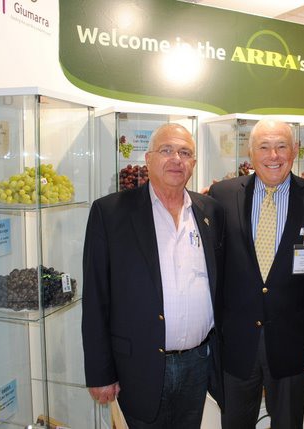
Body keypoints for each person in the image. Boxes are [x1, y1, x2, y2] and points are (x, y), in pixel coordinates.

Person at [81, 123, 225, 429]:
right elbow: (95, 298)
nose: (176, 159)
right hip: (138, 366)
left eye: (185, 152)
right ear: (148, 159)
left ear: (193, 163)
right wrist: (100, 373)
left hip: (198, 363)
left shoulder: (210, 211)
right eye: (166, 150)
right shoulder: (111, 213)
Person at [208, 119, 304, 429]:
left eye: (282, 146)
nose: (273, 155)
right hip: (236, 346)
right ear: (250, 152)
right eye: (264, 147)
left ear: (295, 150)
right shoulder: (221, 195)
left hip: (295, 348)